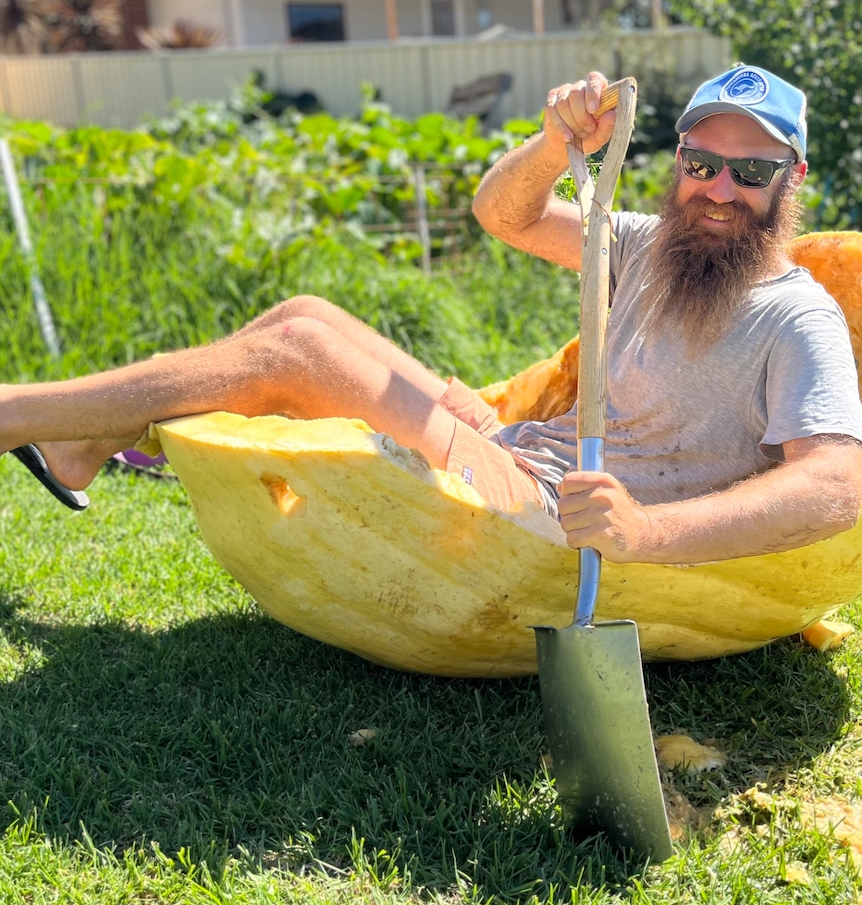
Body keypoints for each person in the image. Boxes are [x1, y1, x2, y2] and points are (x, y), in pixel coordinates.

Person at [2, 65, 861, 568]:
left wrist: (644, 530)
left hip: (551, 514)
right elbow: (505, 214)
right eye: (703, 164)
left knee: (300, 350)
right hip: (520, 452)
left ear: (794, 178)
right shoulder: (643, 243)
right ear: (678, 161)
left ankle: (17, 413)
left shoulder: (798, 320)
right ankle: (80, 447)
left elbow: (837, 485)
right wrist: (555, 146)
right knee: (305, 310)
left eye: (750, 172)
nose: (718, 190)